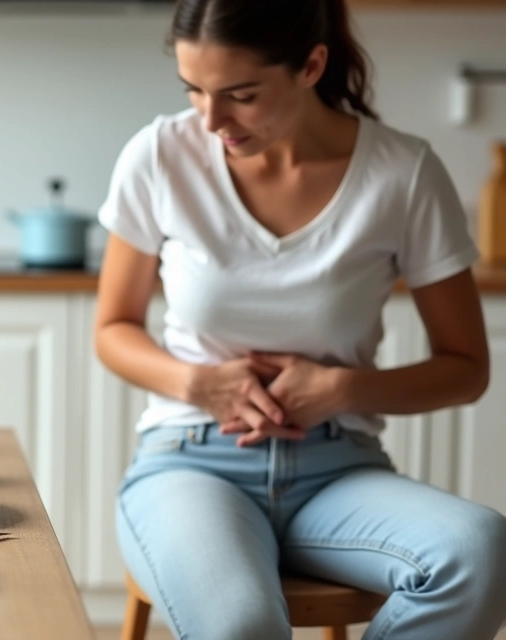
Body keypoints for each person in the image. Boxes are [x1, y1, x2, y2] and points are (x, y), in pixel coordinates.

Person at [93, 0, 506, 638]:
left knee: (478, 550)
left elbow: (466, 369)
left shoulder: (403, 172)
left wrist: (343, 388)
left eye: (241, 94)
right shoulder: (158, 156)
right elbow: (113, 329)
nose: (211, 119)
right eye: (195, 91)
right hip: (191, 464)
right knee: (243, 625)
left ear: (311, 65)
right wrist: (198, 383)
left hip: (339, 471)